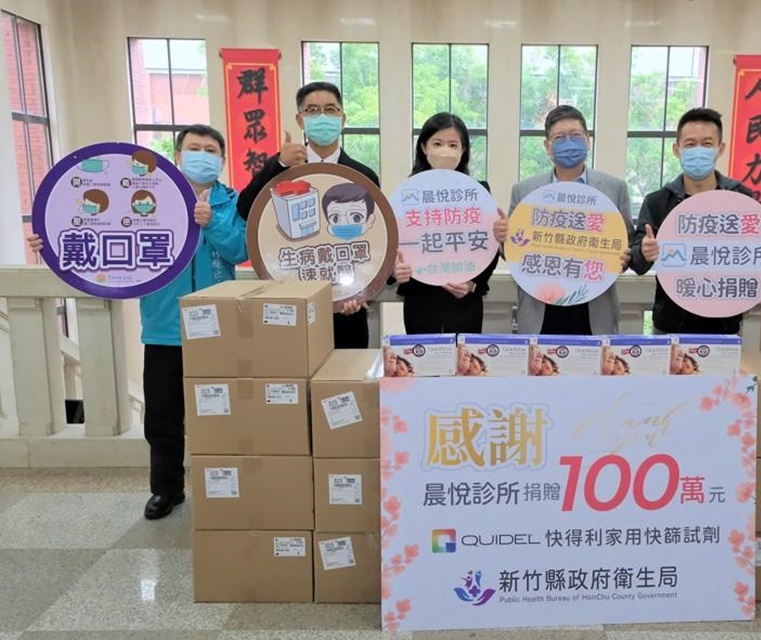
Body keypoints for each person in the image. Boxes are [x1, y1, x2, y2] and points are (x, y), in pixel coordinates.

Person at [28, 124, 247, 520]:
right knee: (162, 416)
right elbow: (98, 230)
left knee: (221, 413)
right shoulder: (150, 196)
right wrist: (51, 241)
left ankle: (224, 488)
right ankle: (167, 489)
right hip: (164, 327)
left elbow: (239, 249)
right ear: (177, 155)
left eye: (211, 150)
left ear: (222, 159)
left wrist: (210, 221)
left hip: (217, 327)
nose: (202, 155)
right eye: (194, 148)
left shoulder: (231, 202)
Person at [237, 81, 380, 349]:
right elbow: (245, 209)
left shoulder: (363, 175)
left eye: (331, 109)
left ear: (343, 119)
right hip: (292, 304)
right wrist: (279, 163)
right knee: (294, 372)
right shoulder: (281, 168)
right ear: (300, 120)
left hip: (346, 306)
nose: (322, 117)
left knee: (346, 373)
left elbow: (375, 239)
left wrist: (362, 291)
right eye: (313, 110)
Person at [630, 108, 761, 335]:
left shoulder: (741, 198)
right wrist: (644, 252)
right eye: (690, 144)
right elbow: (637, 264)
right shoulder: (658, 201)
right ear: (677, 150)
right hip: (671, 325)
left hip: (726, 325)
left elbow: (759, 251)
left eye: (707, 144)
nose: (698, 151)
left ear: (720, 149)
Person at [493, 105, 633, 336]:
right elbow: (514, 252)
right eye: (559, 138)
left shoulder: (614, 188)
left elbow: (626, 244)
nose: (569, 143)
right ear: (547, 146)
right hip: (541, 308)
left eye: (576, 135)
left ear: (587, 140)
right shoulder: (525, 190)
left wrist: (626, 258)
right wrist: (502, 239)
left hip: (593, 310)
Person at [392, 113, 504, 333]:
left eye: (453, 145)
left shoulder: (479, 192)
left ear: (463, 151)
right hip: (420, 301)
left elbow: (489, 246)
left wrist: (473, 284)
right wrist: (395, 269)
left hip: (465, 301)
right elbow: (394, 243)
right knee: (421, 355)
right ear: (424, 147)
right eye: (437, 143)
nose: (445, 150)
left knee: (466, 356)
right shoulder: (407, 194)